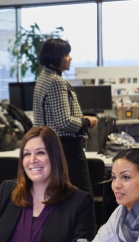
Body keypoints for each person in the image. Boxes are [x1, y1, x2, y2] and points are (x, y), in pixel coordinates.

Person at [0, 126, 96, 242]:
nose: (32, 160)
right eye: (27, 154)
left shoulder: (79, 202)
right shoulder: (7, 191)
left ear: (55, 157)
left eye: (40, 153)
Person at [33, 38, 98, 197]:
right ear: (56, 57)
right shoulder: (56, 82)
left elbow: (54, 116)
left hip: (49, 145)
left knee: (60, 196)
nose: (70, 58)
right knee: (81, 196)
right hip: (66, 148)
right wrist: (86, 121)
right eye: (66, 54)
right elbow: (64, 122)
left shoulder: (43, 78)